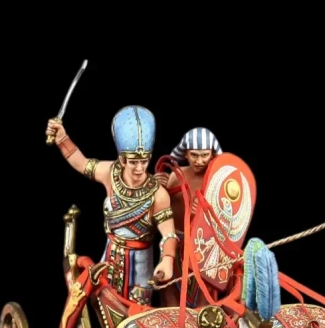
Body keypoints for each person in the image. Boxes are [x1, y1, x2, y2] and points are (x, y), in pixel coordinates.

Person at [46, 106, 178, 307]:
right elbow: (82, 163)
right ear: (122, 159)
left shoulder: (158, 194)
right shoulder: (110, 173)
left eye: (144, 161)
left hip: (141, 266)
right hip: (110, 258)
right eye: (133, 162)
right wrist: (62, 139)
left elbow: (168, 234)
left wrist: (167, 258)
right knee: (103, 306)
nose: (140, 168)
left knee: (137, 313)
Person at [155, 127, 223, 307]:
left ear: (212, 154)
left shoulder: (219, 180)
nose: (199, 161)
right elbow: (160, 210)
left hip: (205, 246)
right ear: (185, 153)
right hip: (174, 243)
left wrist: (202, 214)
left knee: (204, 296)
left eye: (204, 155)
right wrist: (158, 188)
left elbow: (227, 218)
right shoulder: (175, 176)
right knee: (170, 291)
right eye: (194, 155)